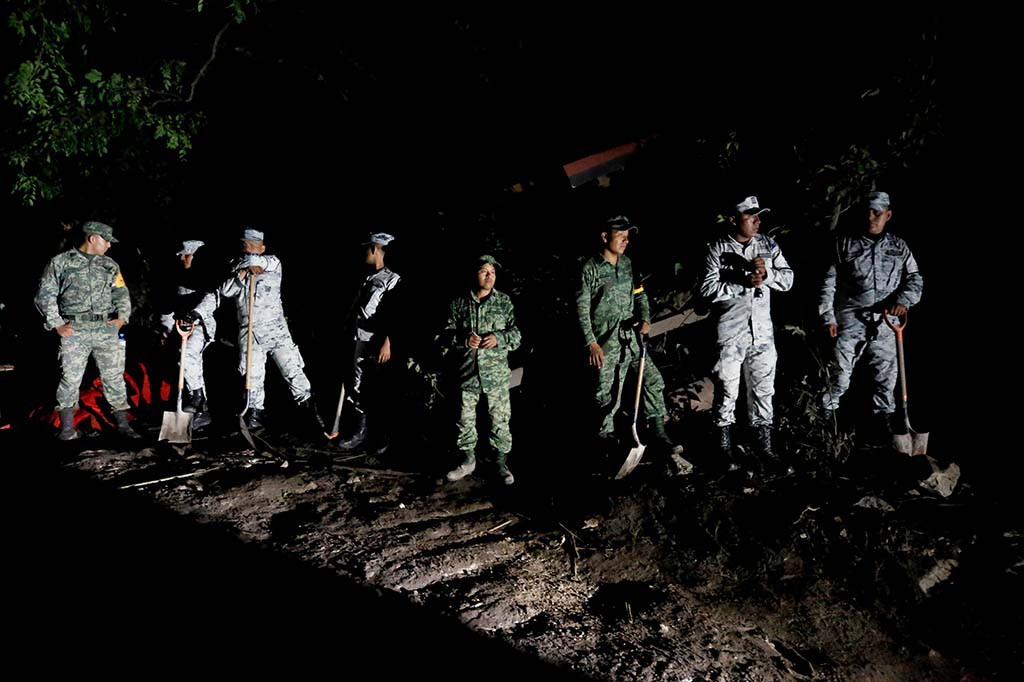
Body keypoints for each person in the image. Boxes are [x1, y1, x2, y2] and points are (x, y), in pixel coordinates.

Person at [818, 191, 923, 441]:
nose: (871, 216)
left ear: (888, 215)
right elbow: (827, 284)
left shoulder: (899, 247)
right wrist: (827, 317)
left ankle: (884, 436)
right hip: (850, 321)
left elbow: (915, 278)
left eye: (877, 212)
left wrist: (903, 301)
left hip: (887, 324)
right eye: (867, 211)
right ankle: (823, 430)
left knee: (886, 381)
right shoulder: (844, 244)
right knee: (838, 377)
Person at [576, 215, 683, 458]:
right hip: (606, 344)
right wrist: (591, 343)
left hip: (632, 341)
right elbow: (581, 309)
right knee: (606, 397)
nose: (625, 241)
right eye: (620, 236)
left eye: (627, 237)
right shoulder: (590, 268)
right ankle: (605, 446)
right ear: (605, 237)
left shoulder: (627, 264)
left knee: (652, 381)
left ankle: (658, 433)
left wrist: (645, 319)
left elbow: (640, 295)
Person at [196, 228, 322, 433]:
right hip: (249, 332)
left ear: (262, 248)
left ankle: (312, 417)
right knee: (251, 377)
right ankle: (255, 418)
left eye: (254, 247)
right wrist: (244, 270)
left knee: (293, 371)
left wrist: (253, 262)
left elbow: (265, 263)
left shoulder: (273, 263)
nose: (249, 251)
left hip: (276, 332)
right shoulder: (235, 267)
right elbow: (226, 290)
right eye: (246, 246)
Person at [699, 196, 793, 467]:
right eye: (751, 216)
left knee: (764, 390)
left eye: (759, 216)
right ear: (733, 219)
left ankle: (763, 448)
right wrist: (740, 282)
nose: (757, 221)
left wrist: (768, 276)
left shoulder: (768, 245)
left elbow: (788, 279)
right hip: (731, 332)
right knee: (727, 389)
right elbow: (706, 289)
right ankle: (723, 449)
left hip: (762, 334)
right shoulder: (716, 248)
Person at [34, 220, 141, 440]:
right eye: (106, 241)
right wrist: (57, 324)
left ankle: (123, 425)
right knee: (70, 378)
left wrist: (121, 318)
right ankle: (66, 428)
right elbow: (45, 295)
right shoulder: (61, 262)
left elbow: (121, 293)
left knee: (114, 376)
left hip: (105, 328)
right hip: (75, 329)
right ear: (92, 239)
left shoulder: (110, 265)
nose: (109, 246)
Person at [442, 255, 521, 485]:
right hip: (467, 373)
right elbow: (442, 335)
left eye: (493, 272)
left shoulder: (504, 302)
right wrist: (462, 339)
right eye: (484, 271)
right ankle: (467, 460)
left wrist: (499, 337)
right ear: (474, 274)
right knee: (464, 419)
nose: (489, 276)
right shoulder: (458, 303)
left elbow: (517, 335)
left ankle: (499, 462)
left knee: (499, 419)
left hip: (496, 375)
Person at [336, 232, 401, 453]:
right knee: (357, 384)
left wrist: (388, 341)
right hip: (359, 337)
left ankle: (383, 437)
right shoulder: (368, 278)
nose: (364, 252)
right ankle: (359, 432)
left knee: (380, 388)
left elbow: (396, 314)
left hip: (378, 341)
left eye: (367, 248)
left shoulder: (393, 280)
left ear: (375, 249)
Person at [158, 240, 219, 429]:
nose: (182, 258)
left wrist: (195, 314)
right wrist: (165, 328)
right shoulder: (175, 277)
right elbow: (167, 306)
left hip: (201, 325)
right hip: (179, 326)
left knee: (189, 355)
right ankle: (199, 408)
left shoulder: (206, 277)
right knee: (181, 362)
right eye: (181, 255)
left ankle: (198, 398)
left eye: (187, 255)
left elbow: (212, 299)